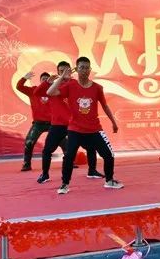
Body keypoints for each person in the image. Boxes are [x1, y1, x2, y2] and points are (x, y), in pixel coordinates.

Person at [47, 56, 122, 194]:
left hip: (94, 129)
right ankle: (64, 184)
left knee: (109, 155)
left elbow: (105, 106)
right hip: (75, 129)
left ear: (90, 70)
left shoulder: (97, 88)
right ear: (76, 69)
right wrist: (62, 76)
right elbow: (50, 92)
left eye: (87, 68)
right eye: (81, 67)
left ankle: (109, 181)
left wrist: (113, 122)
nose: (84, 70)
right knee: (69, 156)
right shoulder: (70, 86)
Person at [34, 61, 103, 184]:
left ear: (71, 71)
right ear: (58, 72)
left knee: (91, 146)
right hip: (58, 124)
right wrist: (47, 82)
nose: (65, 73)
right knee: (47, 150)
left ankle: (92, 171)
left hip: (75, 124)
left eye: (67, 70)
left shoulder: (76, 84)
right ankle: (45, 174)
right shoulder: (53, 85)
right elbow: (37, 93)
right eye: (61, 71)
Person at [16, 71, 52, 171]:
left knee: (64, 142)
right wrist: (24, 78)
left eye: (47, 79)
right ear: (40, 81)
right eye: (43, 79)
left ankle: (70, 162)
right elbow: (19, 87)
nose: (45, 80)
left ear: (51, 81)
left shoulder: (54, 91)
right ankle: (26, 164)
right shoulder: (33, 90)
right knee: (29, 142)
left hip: (53, 123)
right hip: (38, 124)